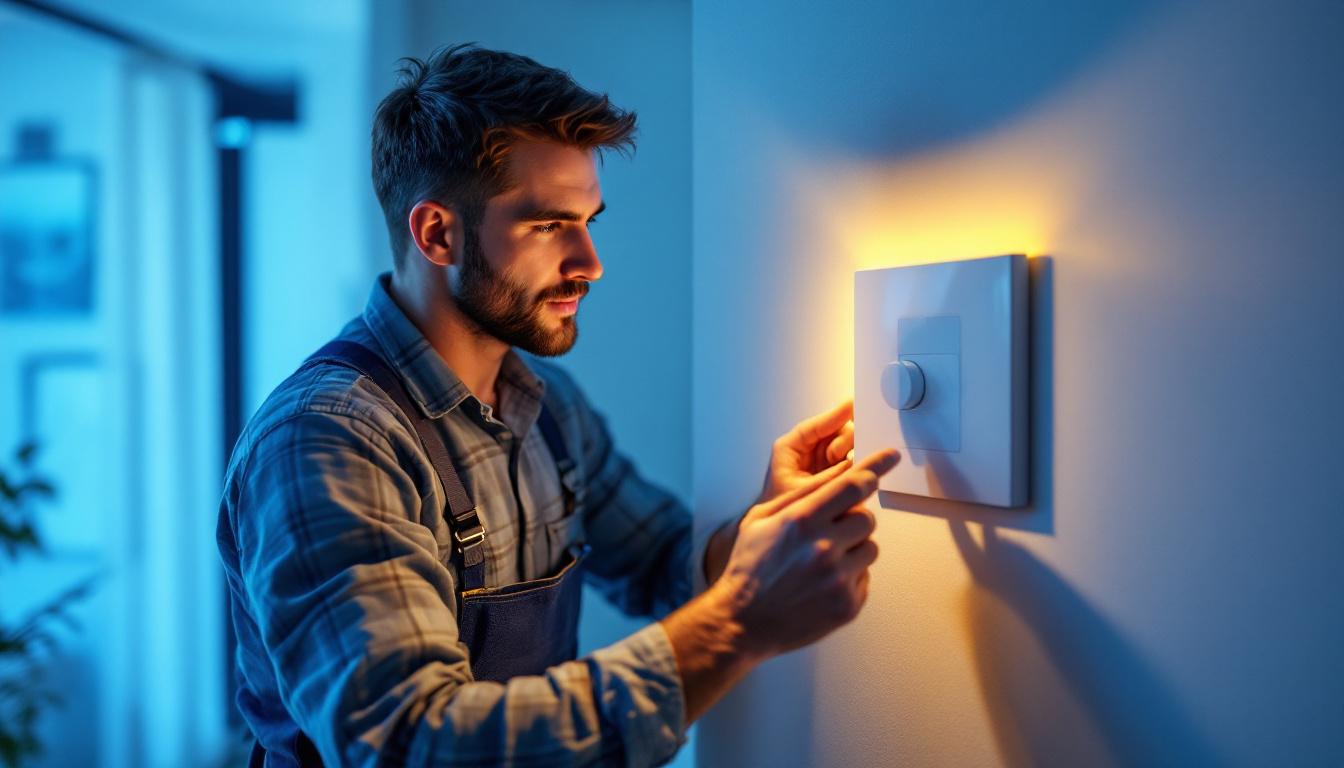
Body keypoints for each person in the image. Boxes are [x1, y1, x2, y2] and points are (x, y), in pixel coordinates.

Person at [216, 43, 901, 767]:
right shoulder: (326, 441)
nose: (590, 264)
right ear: (438, 233)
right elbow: (410, 743)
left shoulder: (545, 405)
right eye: (547, 226)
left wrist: (762, 530)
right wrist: (738, 622)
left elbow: (660, 561)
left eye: (587, 221)